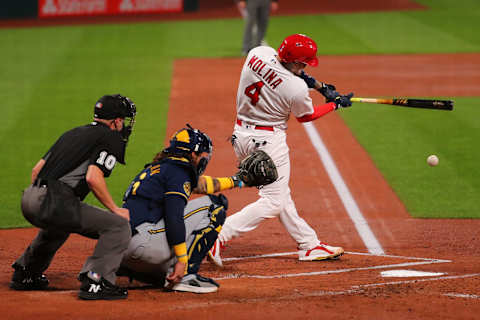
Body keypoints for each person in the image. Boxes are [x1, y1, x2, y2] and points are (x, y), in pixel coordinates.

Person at [208, 34, 354, 267]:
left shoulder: (258, 53)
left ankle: (309, 244)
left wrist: (321, 87)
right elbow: (307, 116)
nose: (305, 66)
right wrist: (334, 103)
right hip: (268, 142)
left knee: (280, 194)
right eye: (304, 62)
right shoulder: (294, 88)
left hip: (241, 137)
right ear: (296, 62)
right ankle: (219, 236)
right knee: (273, 201)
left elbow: (295, 74)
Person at [10, 94, 137, 300]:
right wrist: (115, 209)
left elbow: (36, 170)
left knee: (60, 224)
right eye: (124, 120)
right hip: (52, 200)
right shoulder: (110, 137)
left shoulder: (73, 132)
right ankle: (97, 280)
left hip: (30, 198)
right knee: (118, 226)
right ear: (116, 121)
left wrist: (51, 199)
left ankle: (26, 272)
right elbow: (93, 178)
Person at [119, 125, 245, 293]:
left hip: (121, 252)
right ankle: (186, 275)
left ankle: (145, 273)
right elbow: (173, 216)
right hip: (144, 248)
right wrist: (182, 260)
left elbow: (201, 185)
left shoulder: (158, 169)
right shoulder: (179, 171)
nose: (203, 160)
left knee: (166, 216)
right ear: (193, 154)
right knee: (215, 206)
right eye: (202, 156)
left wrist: (238, 181)